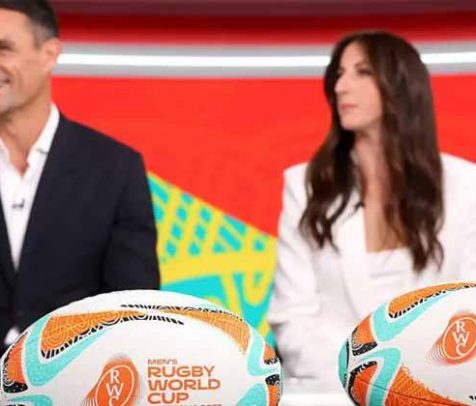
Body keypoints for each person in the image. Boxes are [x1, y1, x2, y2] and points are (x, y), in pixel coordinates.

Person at [268, 30, 476, 391]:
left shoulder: (465, 184)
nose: (341, 87)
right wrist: (368, 382)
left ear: (401, 86)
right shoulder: (306, 185)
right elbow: (292, 318)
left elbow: (468, 307)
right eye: (339, 74)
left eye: (362, 72)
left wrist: (417, 385)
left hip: (437, 390)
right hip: (331, 389)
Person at [0, 0, 160, 354]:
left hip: (75, 376)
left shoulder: (115, 168)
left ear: (49, 54)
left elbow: (134, 311)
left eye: (4, 48)